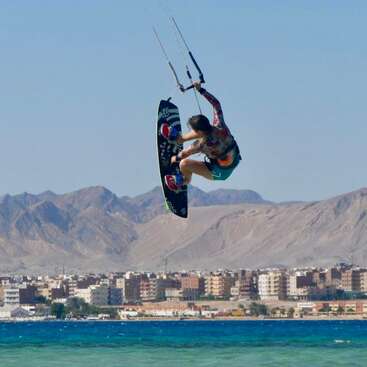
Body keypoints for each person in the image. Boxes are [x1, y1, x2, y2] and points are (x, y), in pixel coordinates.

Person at [160, 82, 241, 192]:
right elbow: (216, 104)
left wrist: (172, 159)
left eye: (193, 129)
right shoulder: (219, 125)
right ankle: (179, 138)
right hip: (234, 159)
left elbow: (184, 154)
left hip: (220, 173)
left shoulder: (202, 145)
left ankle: (183, 181)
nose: (192, 131)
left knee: (184, 164)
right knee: (203, 131)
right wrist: (201, 90)